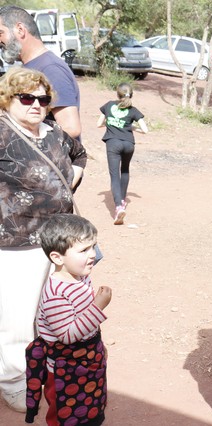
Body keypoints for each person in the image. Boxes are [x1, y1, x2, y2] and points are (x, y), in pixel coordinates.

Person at [0, 67, 87, 413]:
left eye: (43, 99)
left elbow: (79, 155)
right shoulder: (3, 133)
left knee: (48, 311)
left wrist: (71, 182)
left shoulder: (53, 132)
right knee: (17, 317)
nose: (36, 105)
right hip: (15, 242)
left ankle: (43, 369)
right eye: (27, 98)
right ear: (9, 98)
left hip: (57, 241)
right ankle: (13, 380)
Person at [25, 214, 110, 425]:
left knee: (91, 410)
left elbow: (85, 322)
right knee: (65, 415)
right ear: (57, 258)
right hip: (65, 372)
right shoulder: (56, 294)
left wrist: (98, 346)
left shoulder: (80, 277)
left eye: (93, 246)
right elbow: (67, 335)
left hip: (87, 360)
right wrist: (98, 306)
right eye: (83, 250)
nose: (93, 255)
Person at [0, 6, 81, 140]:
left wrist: (26, 146)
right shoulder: (29, 67)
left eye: (0, 33)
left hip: (45, 160)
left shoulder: (51, 69)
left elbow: (70, 128)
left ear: (20, 30)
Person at [97, 82, 148, 225]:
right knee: (124, 171)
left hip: (113, 144)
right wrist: (130, 127)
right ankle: (123, 201)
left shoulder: (108, 105)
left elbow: (99, 124)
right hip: (129, 144)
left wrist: (111, 123)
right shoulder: (133, 110)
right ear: (131, 95)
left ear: (117, 94)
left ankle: (118, 207)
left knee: (114, 176)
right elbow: (145, 130)